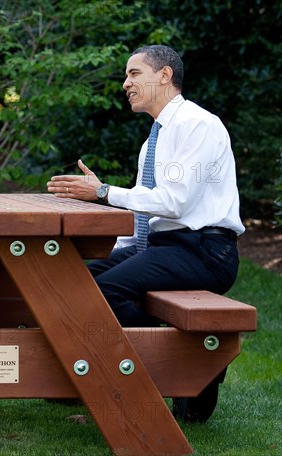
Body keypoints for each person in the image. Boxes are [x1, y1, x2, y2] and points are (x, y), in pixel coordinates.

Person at [47, 45, 244, 421]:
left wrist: (104, 192)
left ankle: (171, 372)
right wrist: (114, 249)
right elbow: (146, 214)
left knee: (106, 291)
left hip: (204, 250)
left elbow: (175, 203)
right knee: (78, 281)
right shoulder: (155, 138)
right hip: (165, 247)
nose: (126, 83)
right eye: (127, 75)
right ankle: (189, 359)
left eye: (134, 73)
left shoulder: (197, 125)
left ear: (165, 75)